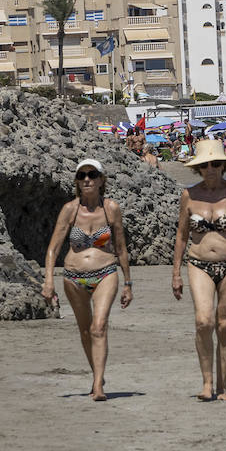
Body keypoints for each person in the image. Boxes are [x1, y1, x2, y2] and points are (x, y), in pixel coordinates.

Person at [42, 158, 133, 401]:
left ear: (102, 180)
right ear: (76, 182)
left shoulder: (111, 208)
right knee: (85, 331)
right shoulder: (70, 210)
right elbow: (53, 248)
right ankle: (97, 375)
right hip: (73, 277)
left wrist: (128, 283)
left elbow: (121, 248)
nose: (87, 180)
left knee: (99, 326)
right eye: (81, 176)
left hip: (106, 272)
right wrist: (48, 281)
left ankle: (98, 387)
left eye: (92, 175)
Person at [171, 140, 226, 401]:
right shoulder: (189, 195)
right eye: (205, 164)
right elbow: (182, 236)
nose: (210, 169)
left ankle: (222, 387)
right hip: (199, 264)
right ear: (198, 168)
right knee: (203, 321)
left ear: (223, 166)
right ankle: (206, 383)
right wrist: (176, 272)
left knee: (225, 325)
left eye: (215, 164)